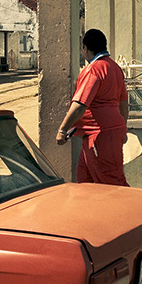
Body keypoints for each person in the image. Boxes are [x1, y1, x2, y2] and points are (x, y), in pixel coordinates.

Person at [55, 28, 130, 185]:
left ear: (85, 48)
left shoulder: (94, 70)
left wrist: (62, 130)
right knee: (85, 181)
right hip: (101, 134)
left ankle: (130, 210)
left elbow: (80, 105)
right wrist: (123, 127)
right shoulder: (114, 68)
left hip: (100, 135)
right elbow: (124, 103)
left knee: (112, 183)